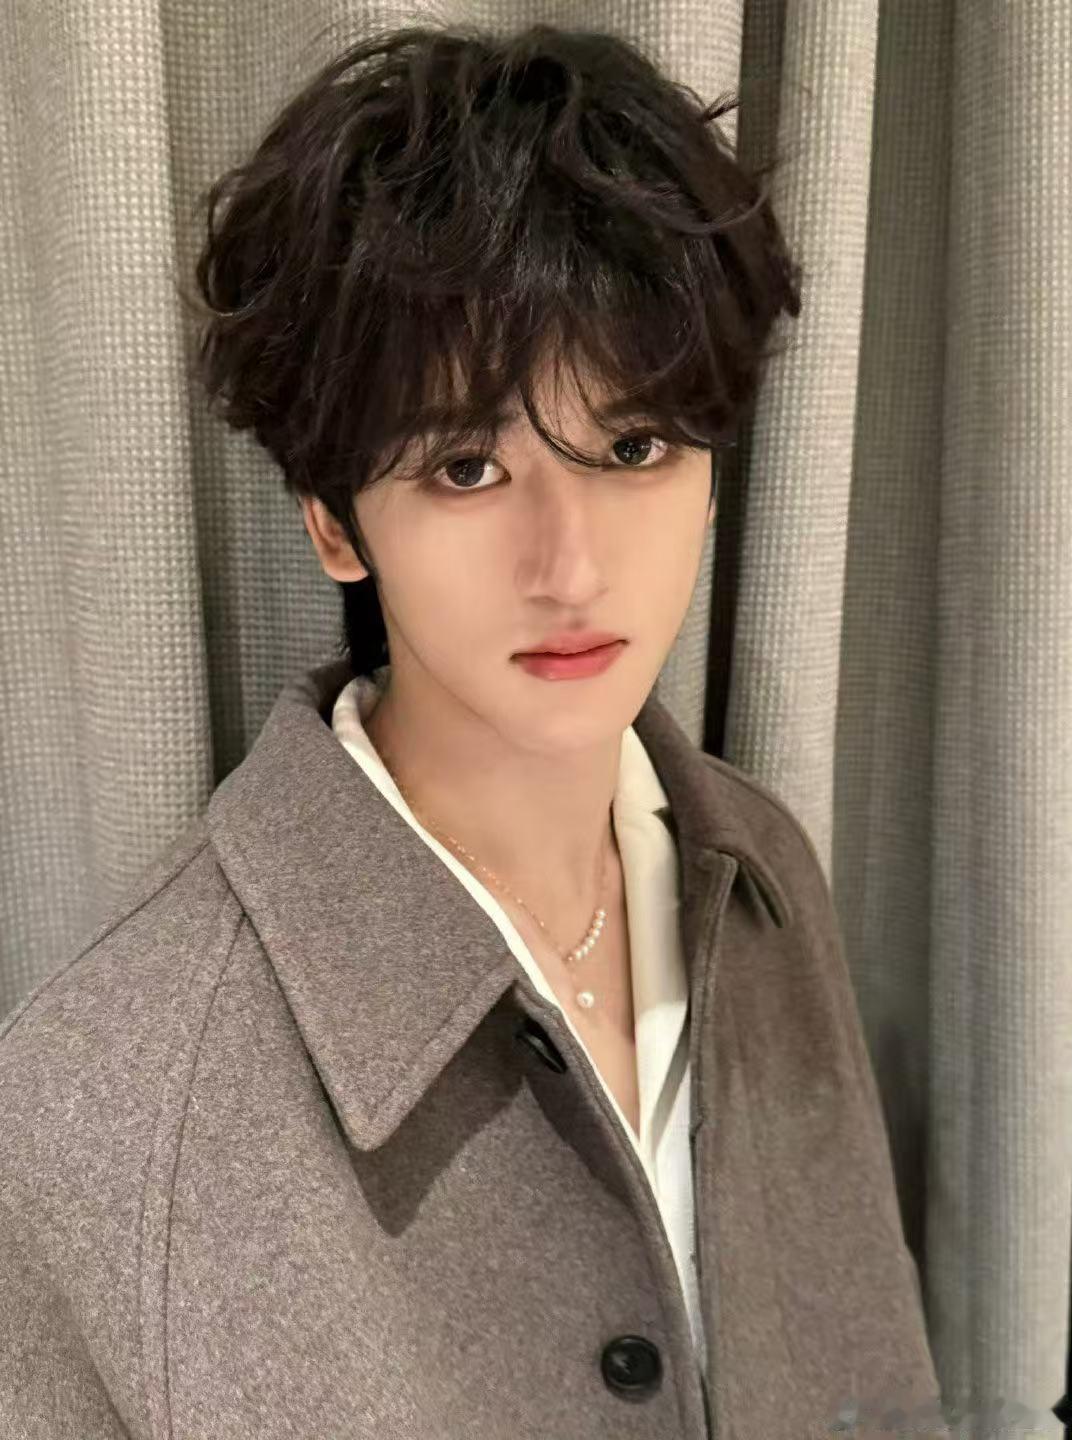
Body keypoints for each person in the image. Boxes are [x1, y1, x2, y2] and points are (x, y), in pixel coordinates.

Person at [0, 19, 947, 1439]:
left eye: (634, 448)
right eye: (465, 466)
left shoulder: (762, 877)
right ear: (333, 520)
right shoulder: (100, 1103)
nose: (571, 565)